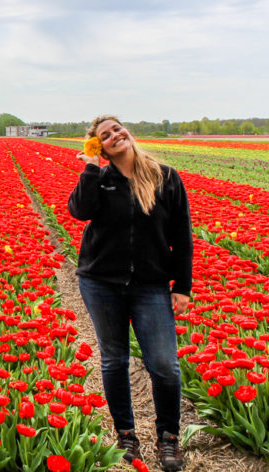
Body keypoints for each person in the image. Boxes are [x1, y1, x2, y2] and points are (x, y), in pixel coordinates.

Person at [68, 115, 193, 472]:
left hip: (150, 286)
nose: (114, 136)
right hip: (101, 281)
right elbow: (79, 211)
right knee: (114, 360)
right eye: (104, 136)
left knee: (165, 365)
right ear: (99, 147)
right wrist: (91, 168)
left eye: (117, 129)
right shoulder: (101, 179)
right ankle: (126, 435)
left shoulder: (165, 177)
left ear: (128, 132)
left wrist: (181, 286)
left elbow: (182, 235)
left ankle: (169, 437)